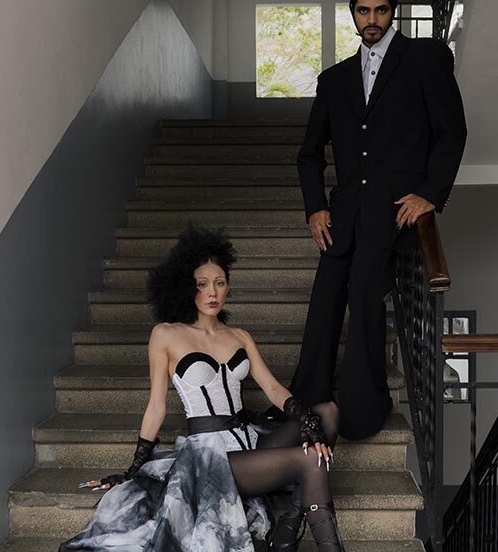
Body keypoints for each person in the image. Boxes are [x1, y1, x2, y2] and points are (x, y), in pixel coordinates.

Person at [59, 226, 344, 552]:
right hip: (208, 458)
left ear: (228, 286)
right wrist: (134, 469)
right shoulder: (166, 335)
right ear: (186, 287)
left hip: (248, 441)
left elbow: (272, 387)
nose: (212, 293)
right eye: (202, 284)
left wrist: (307, 420)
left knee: (328, 413)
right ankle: (303, 535)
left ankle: (287, 529)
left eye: (219, 283)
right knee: (311, 460)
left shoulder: (239, 336)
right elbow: (156, 406)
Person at [287, 0, 467, 440]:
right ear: (353, 13)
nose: (372, 19)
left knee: (366, 297)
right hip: (343, 214)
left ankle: (363, 410)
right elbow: (309, 154)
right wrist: (315, 208)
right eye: (363, 10)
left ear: (393, 12)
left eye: (380, 10)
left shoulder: (424, 58)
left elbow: (451, 133)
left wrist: (430, 193)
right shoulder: (334, 79)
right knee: (325, 300)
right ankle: (307, 401)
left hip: (392, 212)